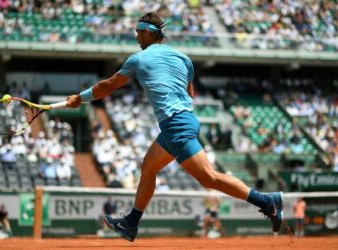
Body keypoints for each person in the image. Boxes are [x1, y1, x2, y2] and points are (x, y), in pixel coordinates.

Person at [66, 12, 283, 242]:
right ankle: (131, 223)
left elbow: (108, 86)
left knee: (209, 178)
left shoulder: (138, 59)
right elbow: (190, 94)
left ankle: (267, 202)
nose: (136, 37)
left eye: (138, 33)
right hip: (181, 122)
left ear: (147, 33)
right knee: (148, 168)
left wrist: (80, 98)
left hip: (176, 125)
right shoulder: (184, 59)